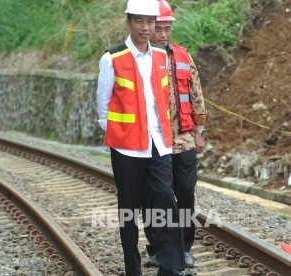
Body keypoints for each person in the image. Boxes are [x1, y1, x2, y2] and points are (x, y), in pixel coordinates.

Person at [97, 0, 192, 275]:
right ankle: (133, 269)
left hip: (158, 144)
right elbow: (103, 104)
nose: (146, 27)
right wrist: (115, 137)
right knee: (129, 209)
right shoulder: (112, 58)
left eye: (150, 22)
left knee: (165, 200)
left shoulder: (161, 57)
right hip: (126, 148)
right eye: (139, 21)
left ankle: (170, 265)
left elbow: (164, 101)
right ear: (129, 22)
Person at [143, 0, 208, 269]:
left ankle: (183, 248)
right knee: (156, 196)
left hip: (183, 140)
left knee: (185, 194)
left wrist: (200, 131)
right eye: (159, 29)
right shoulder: (140, 58)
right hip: (154, 141)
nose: (163, 34)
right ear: (147, 28)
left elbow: (197, 95)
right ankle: (158, 248)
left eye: (167, 29)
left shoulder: (183, 56)